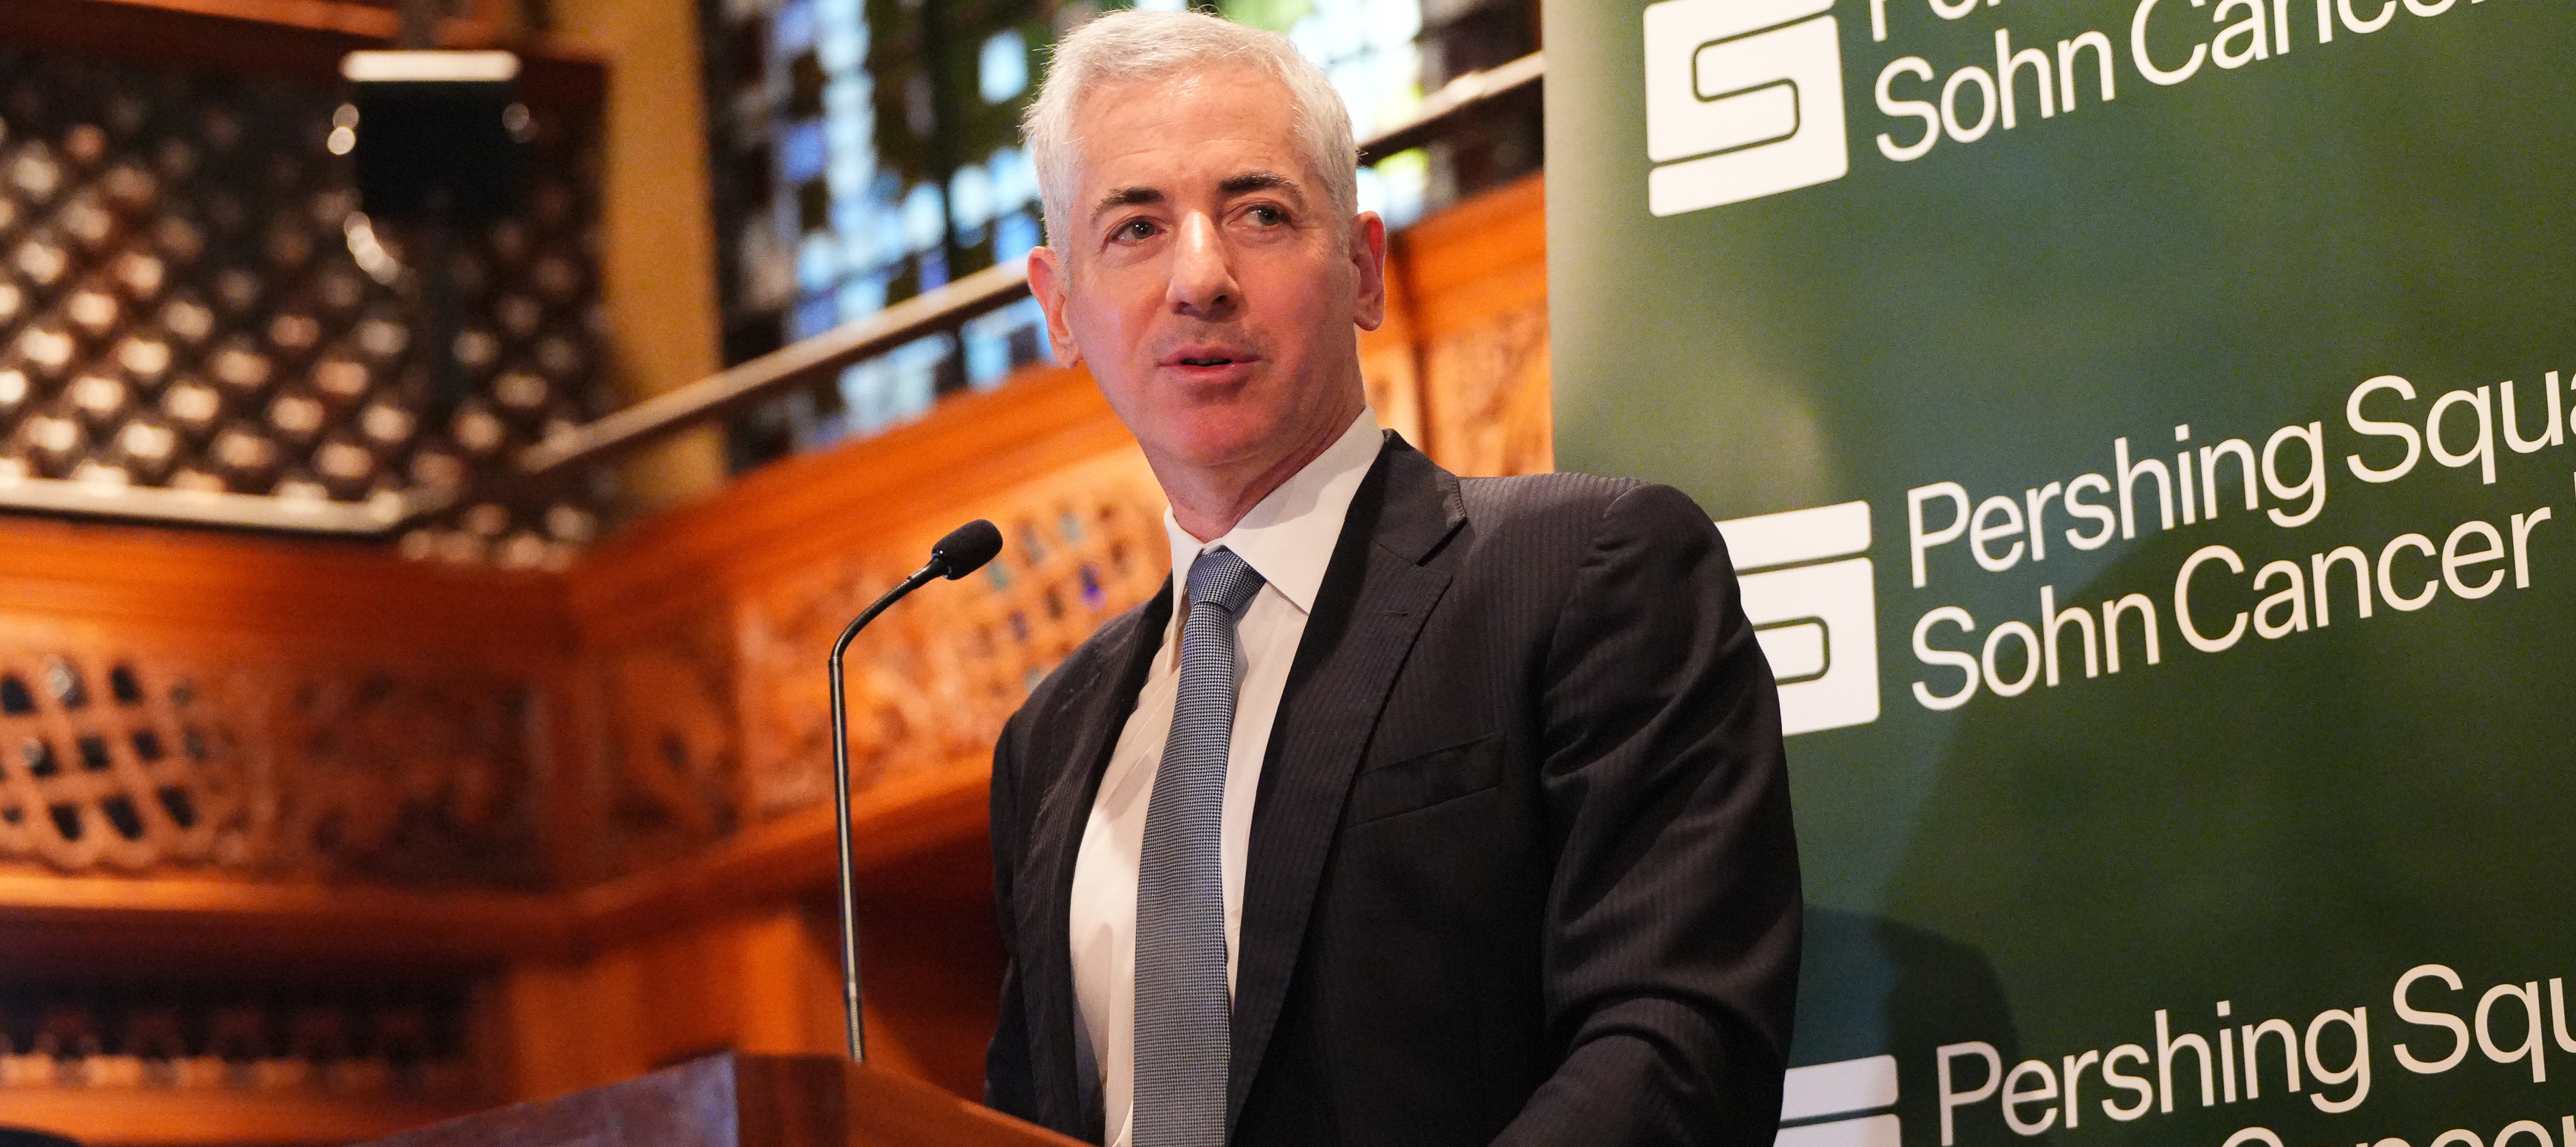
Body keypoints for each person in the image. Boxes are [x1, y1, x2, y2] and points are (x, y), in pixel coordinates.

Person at [983, 10, 1801, 1146]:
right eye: (1134, 228)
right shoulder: (1049, 742)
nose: (1200, 277)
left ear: (1362, 267)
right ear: (1059, 308)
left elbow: (1675, 1042)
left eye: (1260, 213)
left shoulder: (1584, 576)